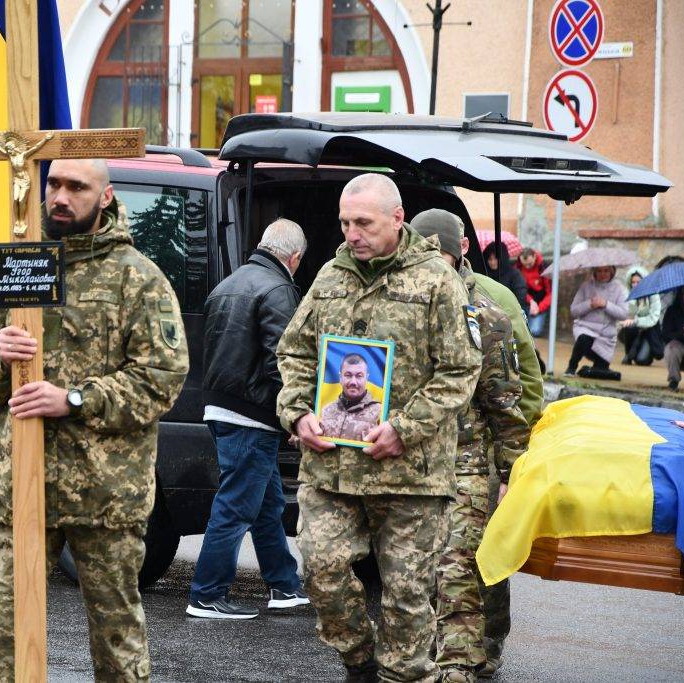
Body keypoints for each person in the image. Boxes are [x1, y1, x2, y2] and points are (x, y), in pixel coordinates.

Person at [0, 158, 189, 682]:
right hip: (21, 488)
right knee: (6, 643)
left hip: (105, 497)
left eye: (77, 187)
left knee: (117, 643)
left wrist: (76, 400)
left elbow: (162, 379)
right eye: (54, 184)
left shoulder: (138, 278)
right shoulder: (16, 267)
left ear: (105, 196)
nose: (60, 197)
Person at [276, 174, 481, 682]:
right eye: (345, 223)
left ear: (396, 218)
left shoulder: (437, 280)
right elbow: (294, 352)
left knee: (408, 597)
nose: (352, 233)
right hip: (333, 467)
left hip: (410, 473)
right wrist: (297, 411)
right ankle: (360, 661)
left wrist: (405, 428)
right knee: (321, 571)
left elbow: (460, 371)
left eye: (363, 223)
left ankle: (402, 676)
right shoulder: (329, 277)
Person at [412, 209, 531, 683]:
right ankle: (442, 650)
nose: (430, 269)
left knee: (461, 561)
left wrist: (512, 472)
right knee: (419, 566)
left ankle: (470, 654)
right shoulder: (404, 304)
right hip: (412, 455)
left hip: (468, 458)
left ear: (458, 252)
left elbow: (505, 404)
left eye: (436, 257)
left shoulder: (487, 315)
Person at [187, 218, 309, 620]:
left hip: (221, 407)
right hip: (252, 415)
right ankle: (206, 595)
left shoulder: (228, 283)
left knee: (267, 504)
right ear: (293, 258)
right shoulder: (278, 289)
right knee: (236, 507)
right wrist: (296, 416)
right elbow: (282, 362)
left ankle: (285, 587)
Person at [457, 228, 544, 679]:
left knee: (483, 553)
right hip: (430, 452)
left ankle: (488, 644)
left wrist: (515, 449)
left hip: (485, 449)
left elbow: (525, 375)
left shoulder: (494, 298)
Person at [564, 266, 628, 380]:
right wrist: (590, 304)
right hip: (586, 327)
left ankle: (588, 370)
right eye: (599, 271)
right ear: (594, 272)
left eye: (606, 270)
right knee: (584, 338)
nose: (603, 274)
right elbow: (574, 310)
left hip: (606, 335)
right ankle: (571, 367)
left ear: (612, 272)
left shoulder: (619, 289)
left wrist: (606, 304)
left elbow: (623, 314)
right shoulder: (586, 286)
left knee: (601, 370)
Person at [318, 354, 382, 441]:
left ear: (366, 378)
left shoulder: (380, 412)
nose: (353, 382)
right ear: (340, 377)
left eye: (359, 376)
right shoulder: (325, 410)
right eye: (348, 375)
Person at [618, 266, 662, 366]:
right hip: (636, 330)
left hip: (650, 330)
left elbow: (653, 318)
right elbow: (628, 316)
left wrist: (636, 321)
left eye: (638, 282)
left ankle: (647, 352)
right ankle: (628, 354)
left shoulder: (654, 295)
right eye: (633, 282)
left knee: (642, 360)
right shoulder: (629, 295)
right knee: (629, 327)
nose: (636, 285)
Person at [481, 242, 526, 312]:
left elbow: (520, 295)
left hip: (511, 312)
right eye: (490, 259)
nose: (493, 262)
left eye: (495, 259)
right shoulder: (484, 274)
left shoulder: (514, 274)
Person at [516, 248, 551, 337]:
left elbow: (550, 294)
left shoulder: (543, 268)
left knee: (534, 331)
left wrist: (539, 308)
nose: (527, 267)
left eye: (530, 264)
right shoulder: (517, 267)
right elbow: (518, 288)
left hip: (539, 305)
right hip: (523, 302)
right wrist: (531, 301)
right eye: (525, 265)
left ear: (535, 257)